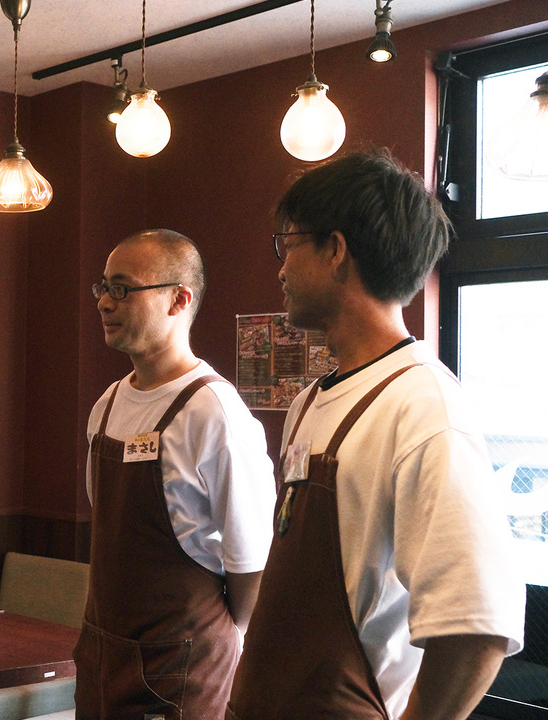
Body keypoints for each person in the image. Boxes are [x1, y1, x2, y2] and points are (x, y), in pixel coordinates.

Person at [227, 149, 525, 720]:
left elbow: (477, 623)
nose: (281, 271)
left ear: (335, 251)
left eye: (286, 246)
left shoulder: (422, 407)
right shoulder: (312, 401)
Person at [75, 229, 276, 720]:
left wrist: (214, 643)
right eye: (102, 287)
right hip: (103, 657)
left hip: (182, 670)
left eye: (122, 288)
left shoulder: (214, 413)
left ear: (178, 299)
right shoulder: (106, 406)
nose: (104, 302)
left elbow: (252, 568)